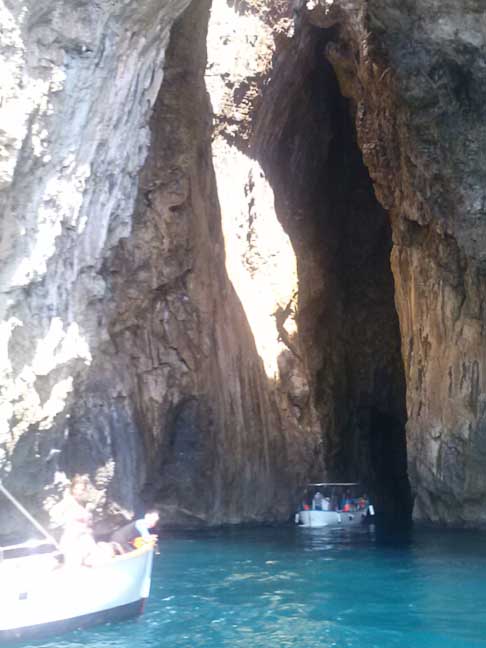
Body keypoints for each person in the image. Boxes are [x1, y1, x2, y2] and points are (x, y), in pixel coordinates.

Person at [55, 475, 98, 567]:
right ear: (72, 490)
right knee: (74, 564)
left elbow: (88, 524)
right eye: (76, 489)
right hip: (73, 539)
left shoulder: (84, 504)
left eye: (82, 489)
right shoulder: (68, 501)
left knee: (95, 559)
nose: (79, 492)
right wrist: (68, 520)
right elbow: (54, 513)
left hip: (85, 538)